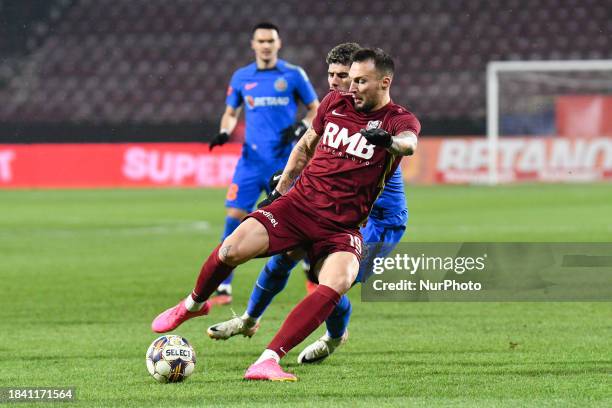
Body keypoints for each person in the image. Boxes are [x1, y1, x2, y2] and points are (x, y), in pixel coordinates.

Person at [152, 48, 420, 381]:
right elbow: (307, 145)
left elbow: (409, 143)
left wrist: (389, 141)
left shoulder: (398, 120)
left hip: (346, 225)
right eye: (347, 80)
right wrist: (281, 191)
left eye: (359, 81)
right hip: (298, 207)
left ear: (384, 82)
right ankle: (193, 305)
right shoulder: (334, 104)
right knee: (233, 248)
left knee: (336, 283)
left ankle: (272, 357)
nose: (349, 88)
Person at [207, 22, 319, 305]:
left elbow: (315, 109)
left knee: (300, 221)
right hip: (250, 162)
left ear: (278, 43)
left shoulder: (293, 75)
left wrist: (301, 128)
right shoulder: (242, 76)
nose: (266, 45)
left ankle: (311, 274)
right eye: (261, 41)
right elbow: (231, 111)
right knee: (233, 217)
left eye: (271, 40)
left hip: (285, 162)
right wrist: (224, 131)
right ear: (253, 44)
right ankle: (223, 286)